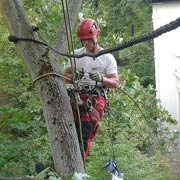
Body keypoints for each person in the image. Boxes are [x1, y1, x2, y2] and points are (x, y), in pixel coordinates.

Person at [64, 18, 119, 158]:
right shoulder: (77, 54)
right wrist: (74, 77)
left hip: (95, 99)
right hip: (77, 96)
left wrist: (102, 78)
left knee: (84, 135)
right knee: (66, 132)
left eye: (89, 39)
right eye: (83, 40)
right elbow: (65, 76)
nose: (86, 43)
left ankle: (77, 170)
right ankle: (55, 167)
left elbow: (115, 83)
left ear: (97, 36)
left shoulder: (106, 57)